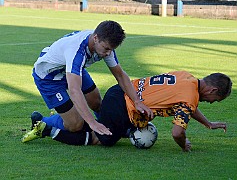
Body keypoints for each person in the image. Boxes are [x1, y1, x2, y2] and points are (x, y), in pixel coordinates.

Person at [22, 71, 232, 152]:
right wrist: (183, 145)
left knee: (114, 128)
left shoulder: (188, 78)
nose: (212, 103)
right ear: (213, 90)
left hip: (121, 92)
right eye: (216, 99)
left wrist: (208, 123)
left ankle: (46, 120)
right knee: (102, 138)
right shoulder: (190, 98)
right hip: (124, 107)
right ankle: (47, 130)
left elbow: (189, 106)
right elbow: (177, 133)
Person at [30, 20, 152, 136]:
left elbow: (120, 75)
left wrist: (137, 101)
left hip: (72, 69)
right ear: (95, 39)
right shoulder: (77, 51)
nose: (108, 53)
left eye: (111, 49)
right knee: (76, 125)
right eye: (106, 49)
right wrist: (92, 123)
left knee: (96, 102)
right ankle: (43, 121)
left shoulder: (103, 44)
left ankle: (108, 128)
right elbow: (74, 90)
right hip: (49, 77)